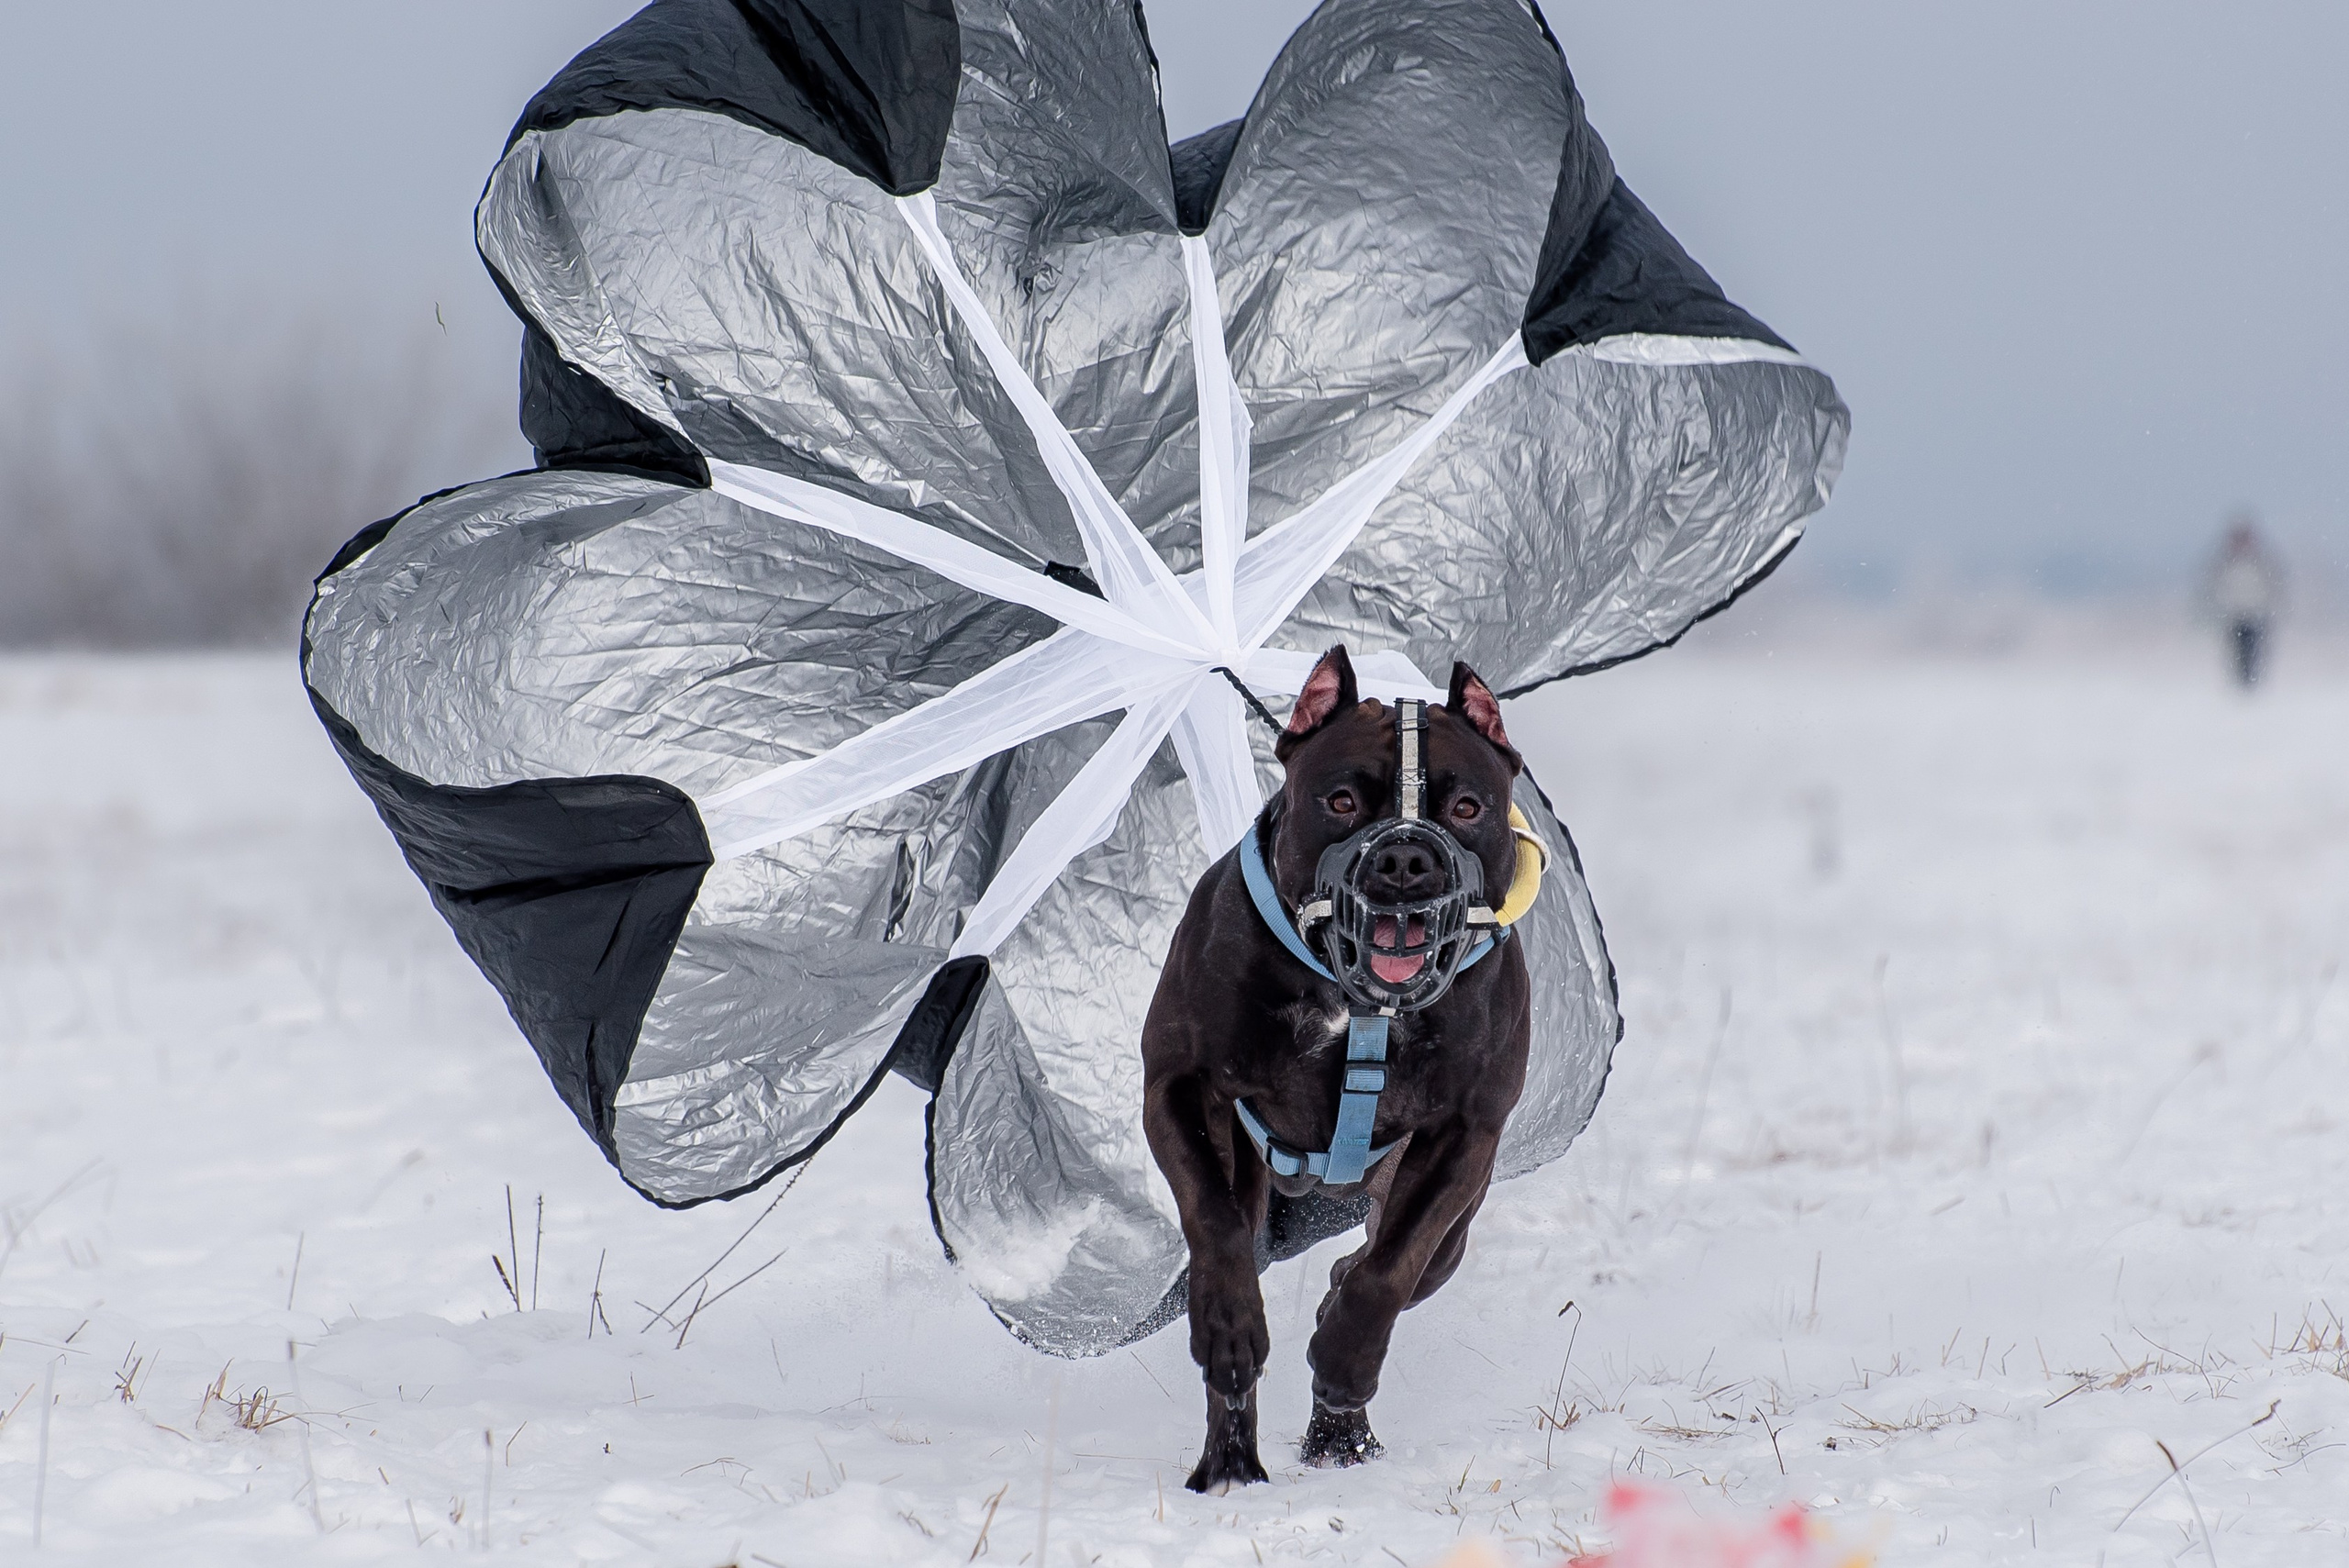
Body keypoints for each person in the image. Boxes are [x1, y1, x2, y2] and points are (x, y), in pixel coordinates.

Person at [2201, 515, 2286, 687]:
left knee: (2255, 652)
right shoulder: (2224, 563)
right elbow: (2213, 589)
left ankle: (2253, 684)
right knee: (2237, 654)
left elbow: (2275, 586)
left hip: (2256, 616)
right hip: (2235, 617)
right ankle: (2240, 684)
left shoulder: (2262, 562)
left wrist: (2272, 608)